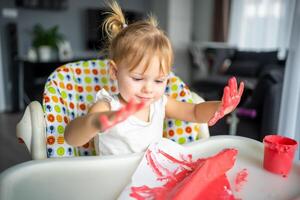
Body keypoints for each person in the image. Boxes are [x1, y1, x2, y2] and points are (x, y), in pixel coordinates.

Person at [64, 1, 244, 156]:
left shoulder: (159, 103)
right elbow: (71, 138)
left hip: (151, 180)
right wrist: (95, 122)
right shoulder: (107, 106)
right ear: (114, 71)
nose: (149, 89)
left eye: (159, 81)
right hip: (113, 183)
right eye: (137, 78)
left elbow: (195, 112)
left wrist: (221, 107)